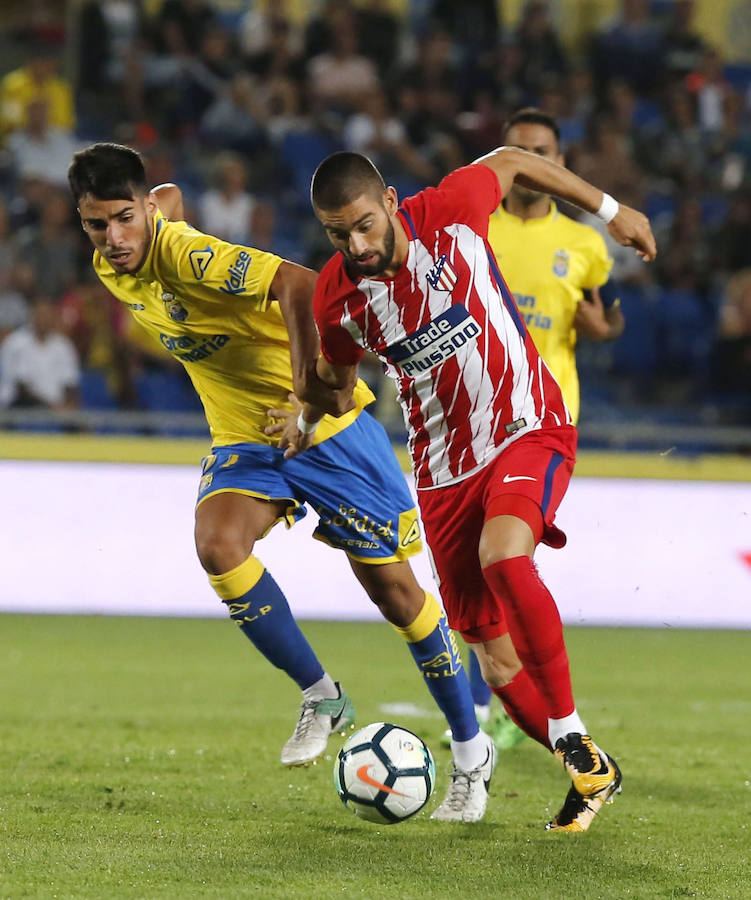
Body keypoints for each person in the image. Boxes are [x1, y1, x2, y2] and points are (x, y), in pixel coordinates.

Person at [67, 142, 492, 823]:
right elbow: (169, 196)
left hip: (325, 429)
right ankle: (322, 695)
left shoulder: (188, 256)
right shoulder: (121, 252)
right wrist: (156, 206)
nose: (113, 238)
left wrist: (304, 393)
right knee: (218, 546)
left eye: (125, 219)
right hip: (247, 434)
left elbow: (298, 283)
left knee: (396, 595)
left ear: (143, 209)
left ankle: (471, 753)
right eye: (97, 224)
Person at [301, 148, 656, 831]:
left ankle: (571, 731)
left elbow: (515, 160)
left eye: (366, 225)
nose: (357, 245)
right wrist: (305, 413)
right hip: (441, 472)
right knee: (493, 660)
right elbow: (335, 383)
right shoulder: (337, 296)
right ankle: (590, 770)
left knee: (504, 554)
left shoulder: (450, 209)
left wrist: (611, 210)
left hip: (526, 424)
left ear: (391, 201)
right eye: (338, 234)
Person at [452, 107, 626, 749]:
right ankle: (502, 698)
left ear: (560, 160)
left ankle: (504, 705)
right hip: (472, 420)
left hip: (544, 421)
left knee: (504, 556)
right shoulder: (472, 227)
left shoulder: (585, 246)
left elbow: (596, 316)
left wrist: (602, 329)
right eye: (519, 151)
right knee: (478, 566)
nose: (532, 163)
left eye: (543, 152)